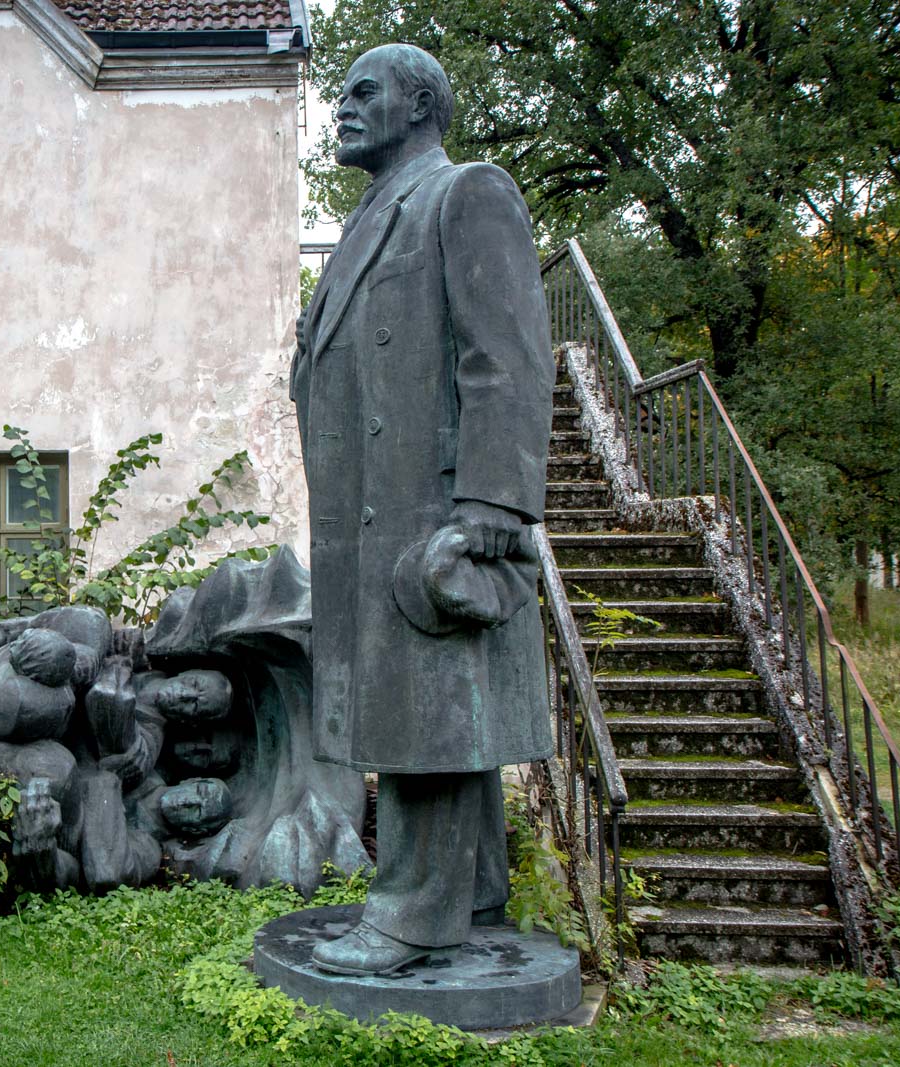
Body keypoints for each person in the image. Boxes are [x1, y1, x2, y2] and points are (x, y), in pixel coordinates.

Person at [289, 43, 553, 976]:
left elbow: (508, 357)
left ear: (421, 104)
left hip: (431, 510)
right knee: (432, 708)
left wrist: (493, 499)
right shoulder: (369, 217)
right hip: (371, 510)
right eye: (342, 95)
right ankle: (474, 892)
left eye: (366, 92)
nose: (344, 109)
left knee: (430, 709)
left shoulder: (464, 193)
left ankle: (413, 917)